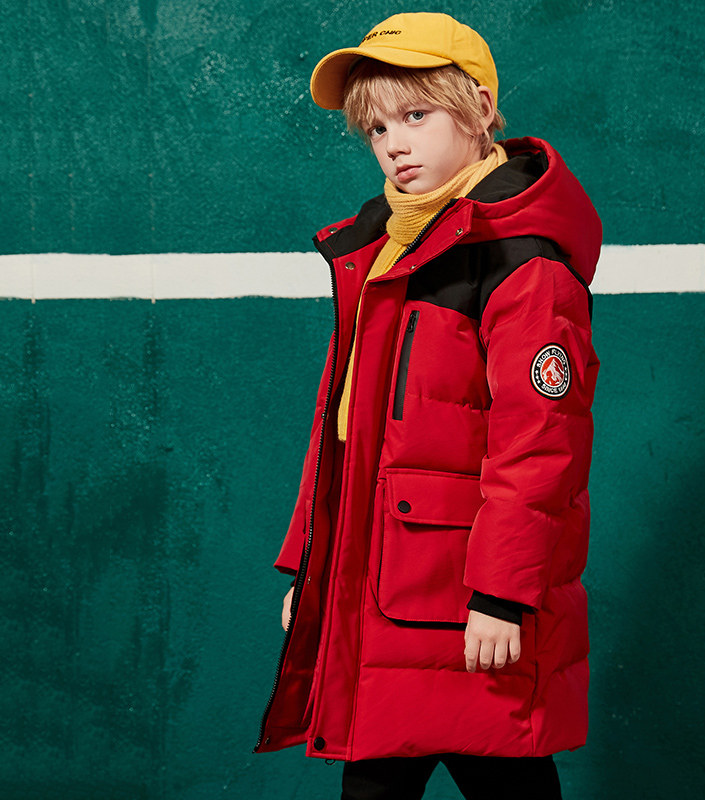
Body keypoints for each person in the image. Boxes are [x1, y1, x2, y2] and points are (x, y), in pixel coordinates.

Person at [254, 12, 602, 800]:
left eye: (416, 116)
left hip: (471, 602)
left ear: (480, 109)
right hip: (383, 591)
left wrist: (503, 595)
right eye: (377, 128)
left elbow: (541, 442)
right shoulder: (386, 250)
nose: (394, 145)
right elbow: (344, 429)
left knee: (506, 774)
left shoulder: (523, 262)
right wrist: (313, 565)